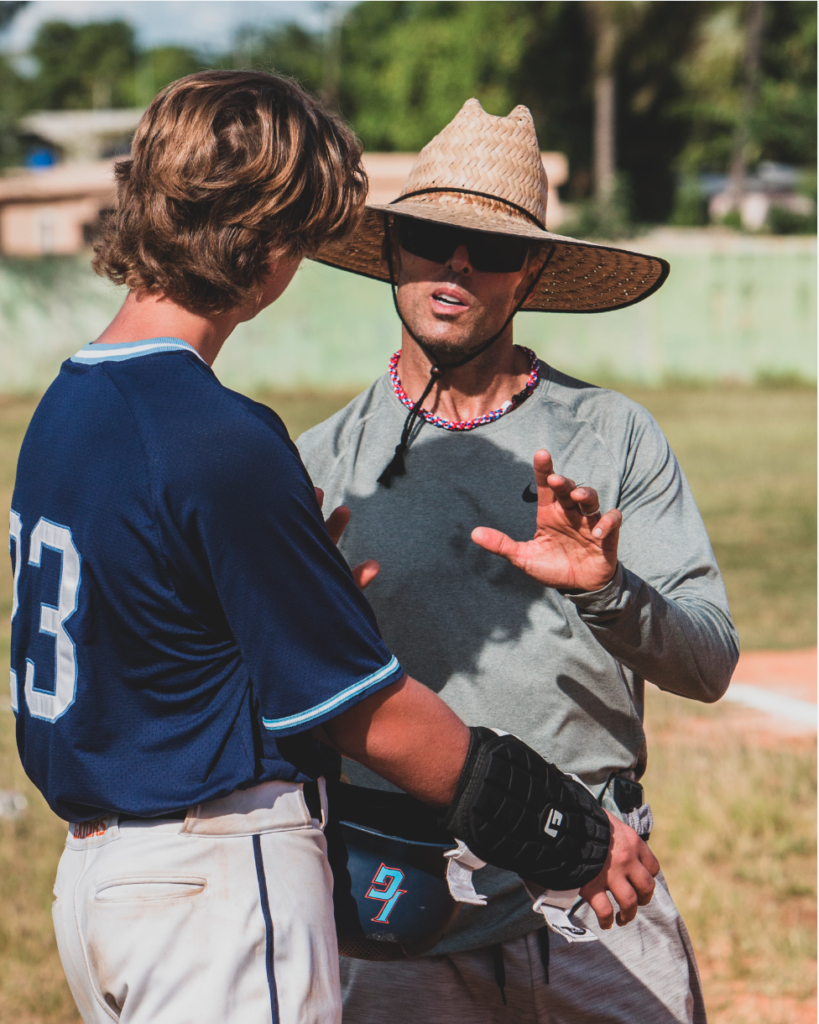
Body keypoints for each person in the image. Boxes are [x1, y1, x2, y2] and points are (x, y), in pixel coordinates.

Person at [8, 76, 656, 1024]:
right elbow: (373, 717)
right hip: (213, 882)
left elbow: (155, 632)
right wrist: (566, 835)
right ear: (268, 241)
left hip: (100, 881)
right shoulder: (215, 434)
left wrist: (283, 591)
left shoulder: (65, 407)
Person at [298, 98, 739, 1023]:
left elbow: (706, 663)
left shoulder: (613, 435)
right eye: (427, 234)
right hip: (395, 903)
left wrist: (609, 590)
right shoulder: (318, 463)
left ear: (530, 268)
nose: (455, 263)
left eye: (491, 248)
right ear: (390, 250)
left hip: (597, 882)